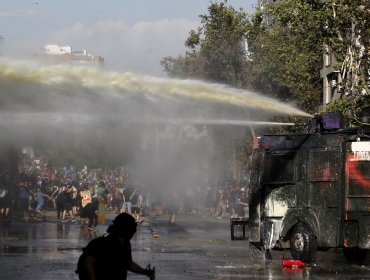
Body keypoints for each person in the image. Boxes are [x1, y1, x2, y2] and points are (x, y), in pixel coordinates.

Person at [76, 213, 155, 280]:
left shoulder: (125, 244)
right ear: (125, 229)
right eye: (132, 229)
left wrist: (145, 272)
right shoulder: (106, 243)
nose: (133, 233)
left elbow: (128, 263)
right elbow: (88, 262)